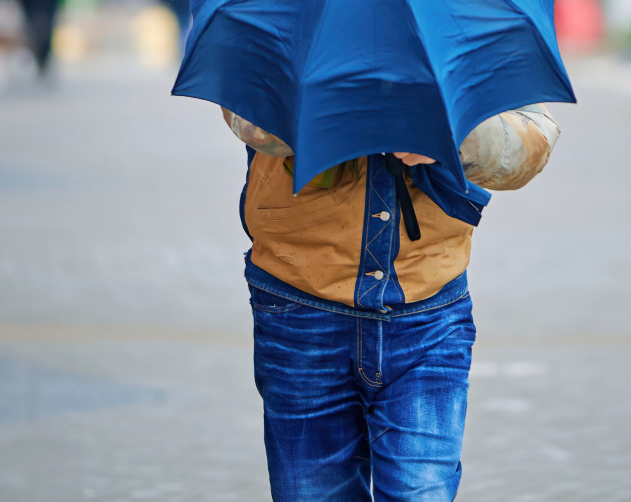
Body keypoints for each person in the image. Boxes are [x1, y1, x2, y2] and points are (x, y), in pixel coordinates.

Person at [223, 104, 559, 501]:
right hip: (299, 308)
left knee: (420, 493)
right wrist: (352, 109)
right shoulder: (288, 37)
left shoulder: (462, 38)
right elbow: (246, 112)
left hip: (429, 309)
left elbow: (533, 140)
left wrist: (447, 134)